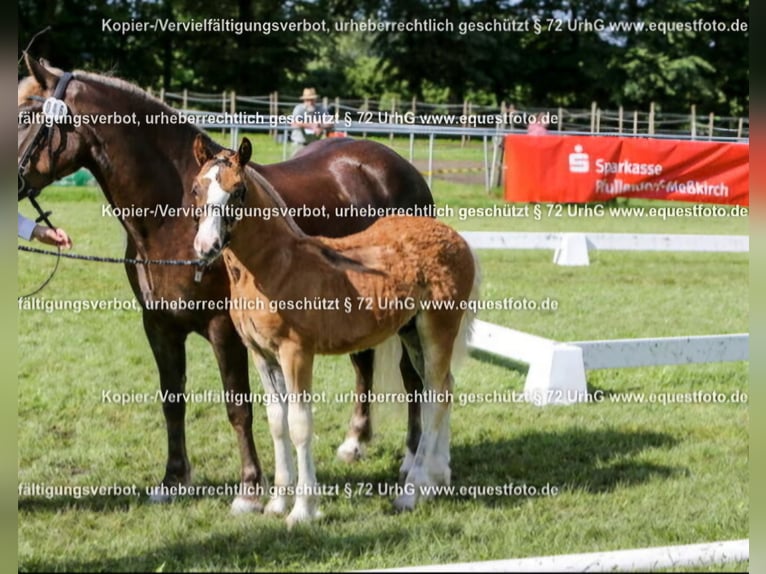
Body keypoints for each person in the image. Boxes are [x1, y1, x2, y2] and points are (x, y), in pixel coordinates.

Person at [289, 87, 334, 156]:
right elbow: (294, 122)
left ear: (315, 99)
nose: (310, 102)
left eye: (312, 100)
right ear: (304, 100)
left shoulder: (321, 109)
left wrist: (320, 125)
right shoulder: (299, 109)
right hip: (300, 145)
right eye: (307, 100)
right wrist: (311, 125)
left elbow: (330, 122)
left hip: (315, 145)